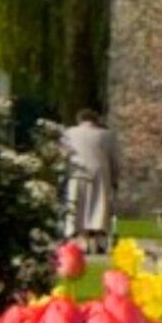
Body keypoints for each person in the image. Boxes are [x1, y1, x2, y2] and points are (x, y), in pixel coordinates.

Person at [59, 108, 119, 253]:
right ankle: (97, 237)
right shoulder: (106, 135)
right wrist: (115, 179)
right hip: (100, 173)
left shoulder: (69, 133)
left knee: (78, 205)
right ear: (96, 120)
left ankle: (79, 237)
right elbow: (114, 159)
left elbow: (63, 155)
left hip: (77, 172)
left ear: (79, 120)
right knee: (98, 205)